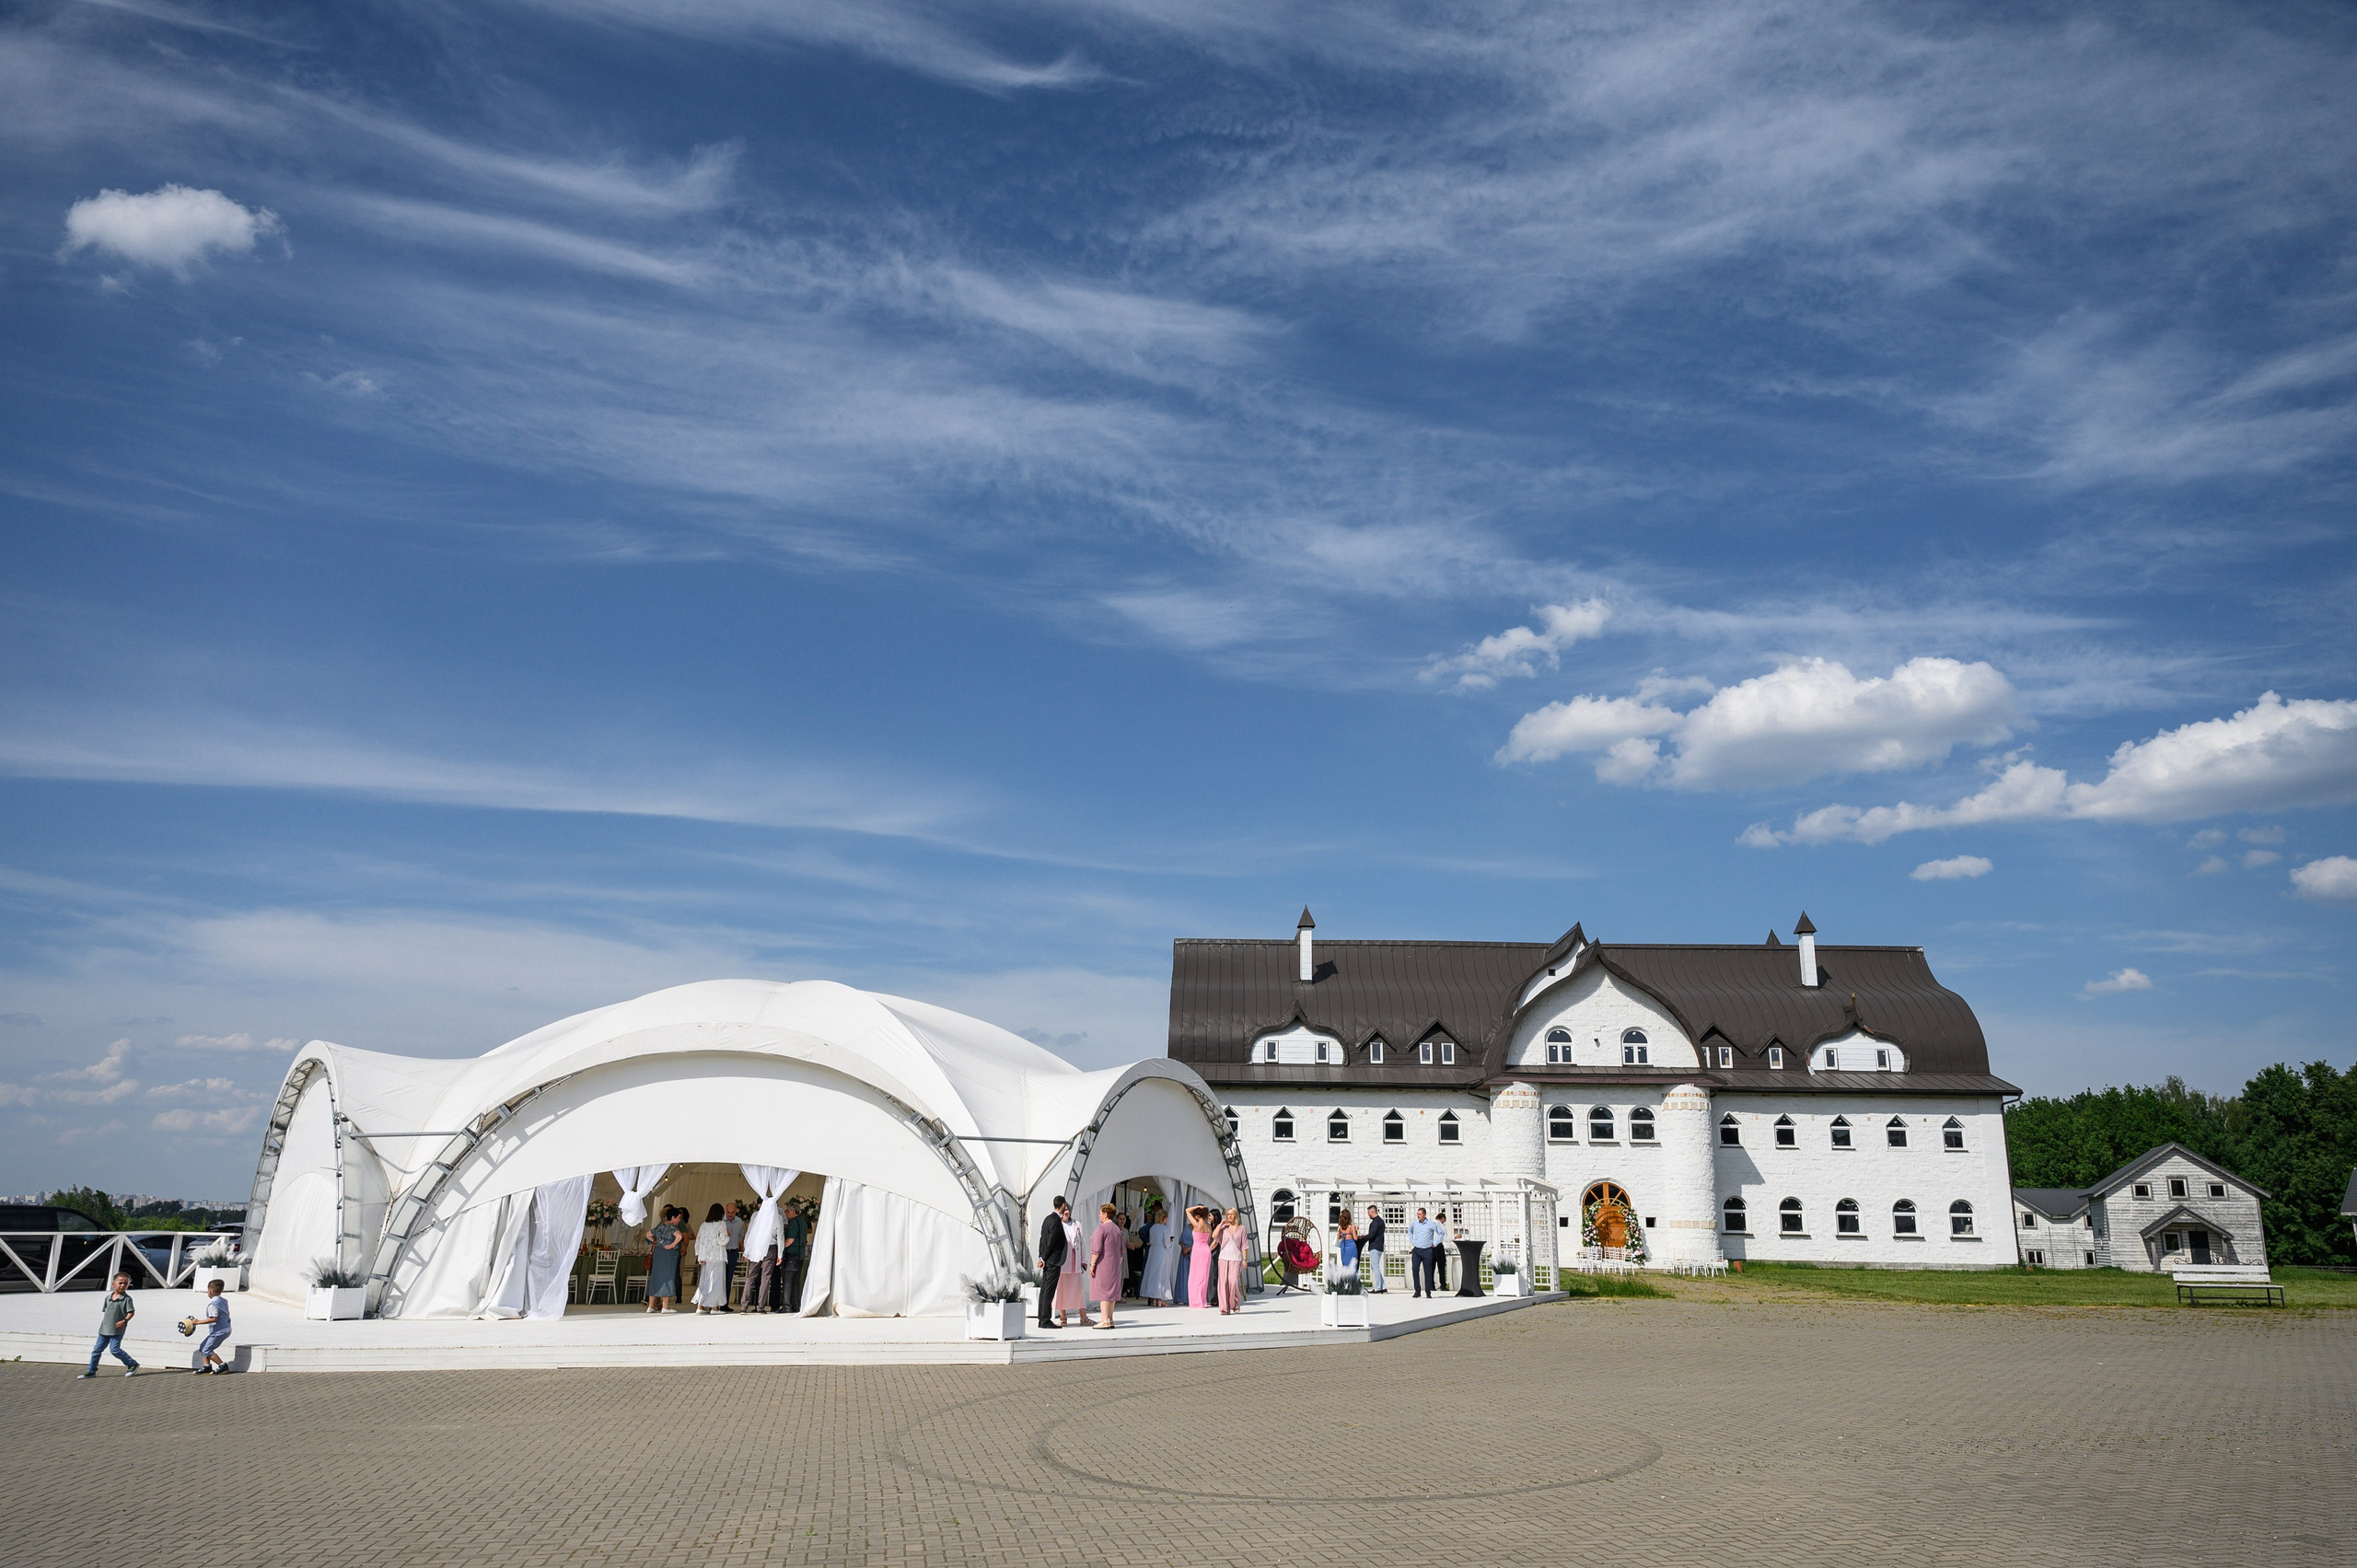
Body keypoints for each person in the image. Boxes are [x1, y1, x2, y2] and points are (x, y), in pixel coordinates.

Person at [79, 1272, 139, 1377]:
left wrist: (124, 1321)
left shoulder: (126, 1299)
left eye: (125, 1283)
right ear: (113, 1284)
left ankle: (132, 1364)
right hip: (104, 1330)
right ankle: (91, 1371)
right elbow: (106, 1312)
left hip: (117, 1330)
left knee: (115, 1350)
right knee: (96, 1351)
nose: (122, 1285)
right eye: (120, 1283)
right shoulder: (108, 1298)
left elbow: (131, 1312)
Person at [1034, 1195, 1072, 1330]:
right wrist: (1044, 1257)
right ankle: (1045, 1319)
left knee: (1045, 1290)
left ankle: (1042, 1319)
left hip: (1047, 1260)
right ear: (1062, 1205)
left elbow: (1042, 1239)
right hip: (1053, 1261)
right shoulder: (1056, 1221)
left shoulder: (1047, 1219)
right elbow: (1050, 1242)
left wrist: (1041, 1256)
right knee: (1048, 1291)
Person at [1086, 1202, 1125, 1329]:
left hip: (1103, 1263)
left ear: (1105, 1213)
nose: (1099, 1215)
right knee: (1112, 1292)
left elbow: (1096, 1249)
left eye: (1100, 1213)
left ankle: (1104, 1319)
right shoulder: (1117, 1230)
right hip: (1114, 1264)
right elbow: (1121, 1251)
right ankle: (1110, 1318)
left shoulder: (1102, 1228)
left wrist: (1092, 1264)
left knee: (1103, 1291)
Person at [692, 1202, 732, 1313]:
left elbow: (698, 1242)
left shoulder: (703, 1225)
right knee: (716, 1282)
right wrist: (728, 1235)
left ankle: (700, 1306)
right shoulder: (721, 1224)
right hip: (717, 1257)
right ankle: (714, 1307)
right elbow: (722, 1241)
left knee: (704, 1281)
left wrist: (699, 1256)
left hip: (705, 1257)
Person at [1053, 1201, 1088, 1325]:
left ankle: (1083, 1316)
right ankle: (1063, 1317)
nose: (1066, 1212)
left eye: (1067, 1209)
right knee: (1062, 1288)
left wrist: (1083, 1260)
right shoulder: (1058, 1224)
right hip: (1063, 1261)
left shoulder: (1076, 1224)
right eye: (1064, 1210)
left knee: (1079, 1288)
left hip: (1075, 1259)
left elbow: (1082, 1243)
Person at [645, 1205, 683, 1313]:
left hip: (658, 1252)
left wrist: (656, 1241)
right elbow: (679, 1236)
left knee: (655, 1277)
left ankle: (650, 1305)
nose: (679, 1220)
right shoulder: (673, 1228)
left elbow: (647, 1234)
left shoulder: (660, 1227)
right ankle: (665, 1306)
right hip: (668, 1254)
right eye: (678, 1218)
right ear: (673, 1218)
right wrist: (672, 1245)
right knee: (667, 1277)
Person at [191, 1277, 232, 1373]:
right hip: (226, 1329)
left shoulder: (212, 1305)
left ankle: (223, 1365)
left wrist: (198, 1322)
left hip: (219, 1331)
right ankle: (207, 1366)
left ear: (209, 1291)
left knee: (207, 1350)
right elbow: (227, 1313)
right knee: (203, 1347)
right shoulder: (223, 1301)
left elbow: (213, 1318)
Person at [1140, 1202, 1176, 1306]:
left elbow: (1151, 1240)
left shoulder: (1152, 1228)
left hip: (1153, 1252)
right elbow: (1166, 1243)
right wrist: (1171, 1242)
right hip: (1162, 1253)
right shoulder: (1166, 1229)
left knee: (1153, 1275)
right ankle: (1161, 1298)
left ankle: (1154, 1298)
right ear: (1164, 1218)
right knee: (1162, 1274)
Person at [1214, 1207, 1248, 1315]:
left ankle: (1235, 1303)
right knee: (1223, 1282)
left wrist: (1245, 1260)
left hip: (1236, 1258)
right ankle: (1224, 1307)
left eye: (1232, 1214)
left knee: (1233, 1282)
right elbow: (1214, 1236)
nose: (1229, 1216)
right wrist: (1220, 1224)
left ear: (1236, 1216)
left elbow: (1244, 1245)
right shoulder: (1224, 1228)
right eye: (1228, 1214)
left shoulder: (1241, 1228)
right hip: (1223, 1258)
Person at [1409, 1206, 1446, 1298]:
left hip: (1427, 1250)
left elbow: (1441, 1233)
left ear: (1424, 1215)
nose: (1418, 1216)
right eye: (1417, 1214)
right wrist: (1413, 1241)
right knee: (1415, 1269)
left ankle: (1428, 1291)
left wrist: (1436, 1243)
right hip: (1417, 1250)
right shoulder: (1414, 1223)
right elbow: (1409, 1231)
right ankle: (1417, 1290)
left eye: (1420, 1214)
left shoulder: (1431, 1224)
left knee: (1428, 1271)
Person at [782, 1199, 810, 1312]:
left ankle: (786, 1306)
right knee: (795, 1282)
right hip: (801, 1255)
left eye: (787, 1211)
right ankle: (795, 1305)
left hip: (792, 1255)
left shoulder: (793, 1222)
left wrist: (781, 1247)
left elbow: (790, 1239)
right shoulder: (803, 1221)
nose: (786, 1213)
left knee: (788, 1281)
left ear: (793, 1212)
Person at [1188, 1207, 1216, 1309]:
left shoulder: (1196, 1224)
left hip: (1197, 1250)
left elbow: (1187, 1210)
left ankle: (1196, 1301)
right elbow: (1208, 1240)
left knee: (1194, 1276)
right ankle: (1202, 1301)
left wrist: (1197, 1207)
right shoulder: (1209, 1227)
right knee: (1203, 1276)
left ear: (1197, 1215)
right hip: (1206, 1250)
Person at [722, 1200, 749, 1312]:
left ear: (736, 1212)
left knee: (729, 1279)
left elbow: (741, 1237)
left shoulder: (739, 1222)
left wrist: (741, 1244)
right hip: (722, 1252)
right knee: (720, 1278)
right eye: (728, 1212)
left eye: (732, 1212)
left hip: (733, 1253)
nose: (730, 1215)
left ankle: (725, 1303)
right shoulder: (721, 1222)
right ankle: (716, 1303)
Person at [1363, 1205, 1387, 1293]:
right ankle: (1383, 1286)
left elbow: (1371, 1235)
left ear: (1372, 1212)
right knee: (1375, 1267)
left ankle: (1378, 1287)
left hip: (1375, 1246)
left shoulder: (1375, 1222)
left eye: (1368, 1212)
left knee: (1375, 1267)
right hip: (1380, 1246)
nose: (1368, 1214)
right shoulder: (1381, 1221)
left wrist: (1362, 1237)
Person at [1335, 1211, 1359, 1288]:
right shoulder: (1351, 1227)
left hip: (1344, 1246)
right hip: (1351, 1246)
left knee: (1345, 1265)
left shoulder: (1340, 1227)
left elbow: (1338, 1237)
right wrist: (1356, 1230)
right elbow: (1355, 1238)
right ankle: (1353, 1284)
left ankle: (1345, 1283)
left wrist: (1343, 1236)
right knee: (1353, 1265)